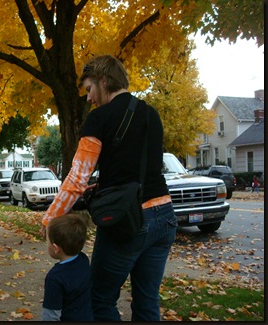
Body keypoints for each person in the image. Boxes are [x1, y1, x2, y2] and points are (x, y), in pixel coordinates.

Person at [41, 55, 177, 321]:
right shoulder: (151, 113)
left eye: (90, 89)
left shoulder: (99, 118)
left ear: (104, 80)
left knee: (99, 299)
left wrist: (51, 217)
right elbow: (142, 166)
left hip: (127, 221)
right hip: (164, 216)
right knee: (147, 301)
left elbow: (77, 178)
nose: (89, 98)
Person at [42, 214, 93, 321]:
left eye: (48, 242)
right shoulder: (83, 260)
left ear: (56, 248)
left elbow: (51, 314)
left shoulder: (55, 278)